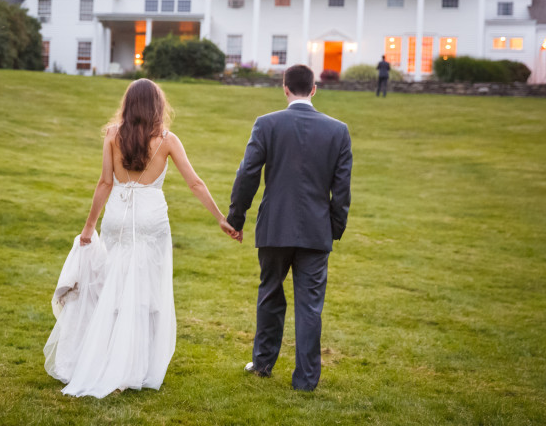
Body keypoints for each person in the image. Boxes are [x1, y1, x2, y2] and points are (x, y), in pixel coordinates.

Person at [44, 78, 237, 398]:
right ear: (157, 106)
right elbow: (196, 184)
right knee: (145, 291)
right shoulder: (167, 140)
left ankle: (109, 362)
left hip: (118, 217)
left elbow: (105, 184)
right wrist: (220, 218)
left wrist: (89, 227)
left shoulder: (112, 136)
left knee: (115, 290)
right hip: (151, 219)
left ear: (129, 104)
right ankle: (133, 366)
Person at [227, 64, 352, 392]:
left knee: (270, 294)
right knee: (310, 304)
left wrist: (236, 218)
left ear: (285, 88)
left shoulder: (267, 124)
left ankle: (263, 364)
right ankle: (306, 380)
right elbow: (342, 189)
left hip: (274, 226)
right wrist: (333, 229)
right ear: (314, 89)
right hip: (315, 230)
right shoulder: (338, 131)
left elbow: (247, 174)